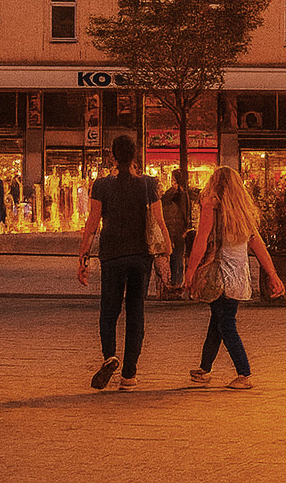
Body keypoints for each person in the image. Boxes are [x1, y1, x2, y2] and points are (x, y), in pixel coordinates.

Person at [76, 134, 171, 391]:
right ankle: (129, 374)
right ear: (136, 156)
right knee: (136, 313)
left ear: (112, 157)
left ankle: (110, 356)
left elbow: (92, 224)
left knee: (109, 310)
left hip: (112, 256)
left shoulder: (102, 185)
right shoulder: (149, 185)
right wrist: (166, 254)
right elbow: (159, 223)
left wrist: (83, 256)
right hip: (141, 257)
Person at [183, 166, 285, 390]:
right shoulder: (243, 212)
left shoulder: (212, 207)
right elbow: (258, 246)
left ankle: (244, 373)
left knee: (225, 323)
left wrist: (190, 270)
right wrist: (273, 274)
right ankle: (204, 369)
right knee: (217, 320)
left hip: (220, 274)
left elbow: (201, 240)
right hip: (239, 276)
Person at [160, 169, 198, 297]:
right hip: (178, 229)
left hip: (176, 229)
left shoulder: (180, 193)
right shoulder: (183, 193)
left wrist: (185, 228)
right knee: (177, 255)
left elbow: (165, 201)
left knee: (176, 255)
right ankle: (177, 282)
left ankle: (176, 283)